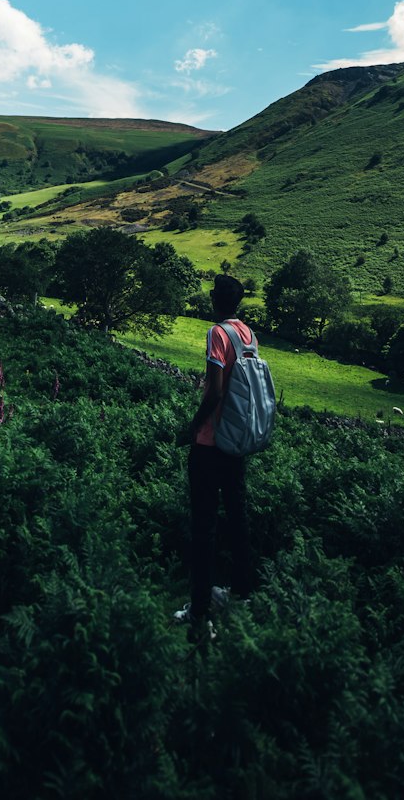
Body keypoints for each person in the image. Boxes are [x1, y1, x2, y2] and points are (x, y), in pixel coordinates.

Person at [176, 272, 255, 636]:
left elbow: (214, 392)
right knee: (238, 519)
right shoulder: (248, 335)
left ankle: (200, 610)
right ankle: (241, 596)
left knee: (204, 527)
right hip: (237, 443)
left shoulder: (217, 334)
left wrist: (192, 428)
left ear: (214, 300)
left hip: (210, 444)